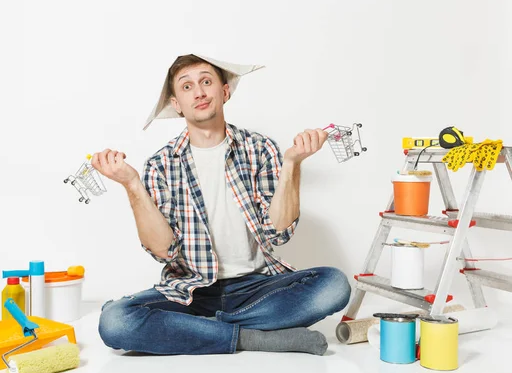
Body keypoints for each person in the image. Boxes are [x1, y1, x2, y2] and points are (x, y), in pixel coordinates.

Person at [93, 54, 351, 356]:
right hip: (190, 292)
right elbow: (164, 250)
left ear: (224, 91)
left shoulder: (260, 149)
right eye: (186, 87)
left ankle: (194, 331)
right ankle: (253, 338)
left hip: (255, 289)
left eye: (206, 82)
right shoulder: (160, 165)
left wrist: (292, 163)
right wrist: (131, 184)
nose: (199, 92)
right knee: (115, 321)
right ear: (177, 104)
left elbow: (278, 234)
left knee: (334, 285)